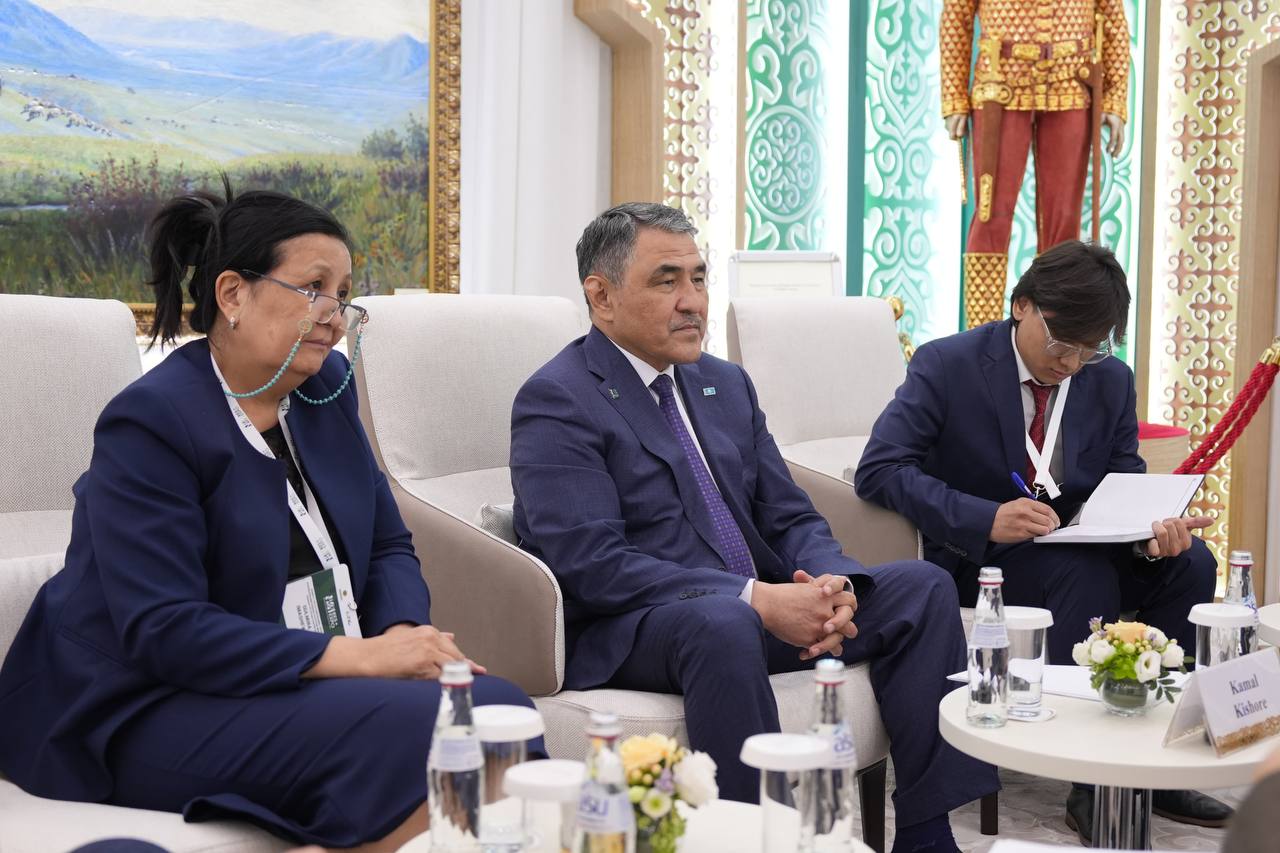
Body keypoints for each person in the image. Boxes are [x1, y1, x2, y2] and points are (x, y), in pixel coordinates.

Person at [0, 185, 534, 852]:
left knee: (501, 710)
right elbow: (165, 628)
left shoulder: (323, 391)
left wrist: (401, 636)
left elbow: (388, 543)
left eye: (344, 294)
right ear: (233, 294)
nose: (335, 315)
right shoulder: (152, 421)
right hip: (143, 700)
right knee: (451, 725)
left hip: (286, 675)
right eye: (314, 288)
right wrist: (361, 658)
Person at [510, 202, 998, 853]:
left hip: (753, 610)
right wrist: (755, 599)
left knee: (925, 587)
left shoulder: (724, 383)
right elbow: (592, 563)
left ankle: (927, 836)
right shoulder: (559, 398)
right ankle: (758, 839)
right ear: (601, 296)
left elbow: (788, 513)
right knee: (723, 621)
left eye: (699, 278)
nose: (693, 301)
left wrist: (833, 583)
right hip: (639, 624)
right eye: (666, 281)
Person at [854, 239, 1228, 842]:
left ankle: (1158, 758)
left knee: (1192, 564)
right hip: (987, 559)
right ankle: (1093, 779)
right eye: (1063, 343)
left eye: (1092, 346)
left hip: (1085, 544)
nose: (1073, 362)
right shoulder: (947, 364)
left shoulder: (1109, 379)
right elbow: (880, 469)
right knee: (1082, 574)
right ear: (1022, 305)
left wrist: (1150, 533)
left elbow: (1123, 479)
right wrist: (984, 517)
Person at [941, 0, 1130, 326]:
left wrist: (1114, 97)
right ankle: (981, 331)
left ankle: (1054, 327)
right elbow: (956, 14)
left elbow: (1112, 14)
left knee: (1064, 221)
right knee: (990, 215)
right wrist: (954, 96)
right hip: (1000, 82)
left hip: (1071, 81)